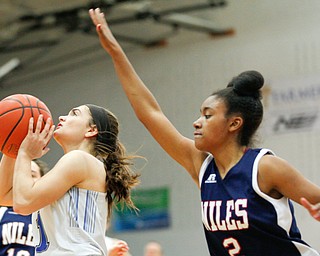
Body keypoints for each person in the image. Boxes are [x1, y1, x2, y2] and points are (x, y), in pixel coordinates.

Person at [89, 8, 320, 256]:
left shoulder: (265, 167)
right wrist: (115, 52)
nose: (197, 122)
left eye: (208, 115)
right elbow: (150, 113)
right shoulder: (202, 165)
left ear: (234, 124)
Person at [0, 104, 140, 255]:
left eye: (74, 114)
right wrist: (12, 146)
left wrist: (25, 154)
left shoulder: (80, 160)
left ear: (91, 130)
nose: (61, 117)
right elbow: (5, 196)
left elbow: (23, 204)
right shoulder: (76, 167)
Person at [0, 159, 48, 256]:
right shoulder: (2, 212)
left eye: (32, 175)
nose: (26, 179)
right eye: (21, 175)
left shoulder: (49, 214)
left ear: (42, 180)